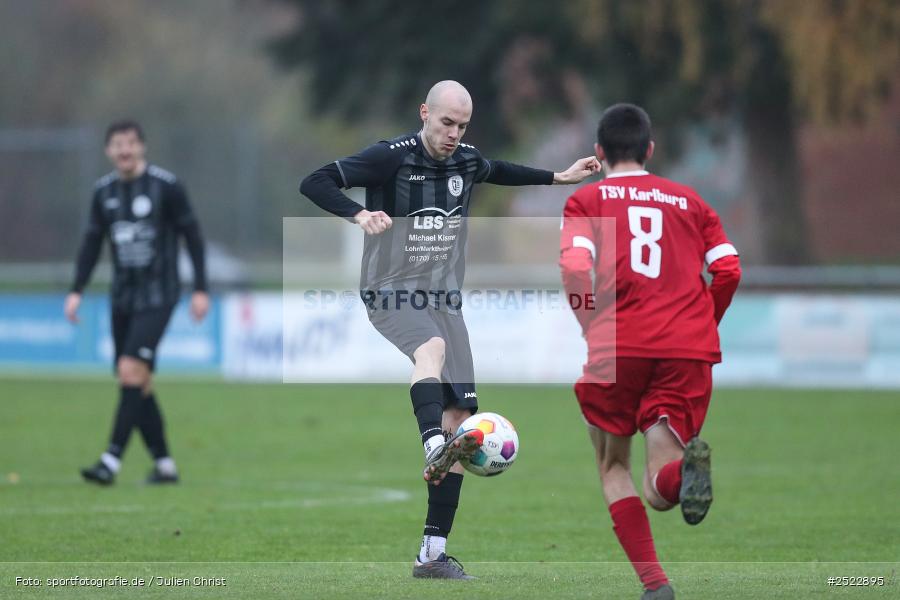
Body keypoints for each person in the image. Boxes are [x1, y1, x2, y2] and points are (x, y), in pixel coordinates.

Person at [300, 80, 600, 579]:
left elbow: (499, 170)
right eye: (446, 123)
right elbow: (314, 181)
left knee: (461, 421)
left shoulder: (466, 160)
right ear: (424, 113)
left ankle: (433, 553)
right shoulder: (389, 156)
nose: (454, 134)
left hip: (446, 301)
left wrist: (559, 177)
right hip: (390, 288)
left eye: (462, 126)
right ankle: (431, 447)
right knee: (431, 351)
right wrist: (359, 213)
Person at [559, 104, 741, 599]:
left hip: (618, 343)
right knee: (661, 485)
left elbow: (576, 268)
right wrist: (700, 324)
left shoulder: (587, 201)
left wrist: (588, 323)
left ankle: (656, 585)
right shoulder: (690, 201)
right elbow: (729, 271)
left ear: (599, 152)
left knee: (613, 466)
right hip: (686, 348)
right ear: (650, 150)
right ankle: (684, 471)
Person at [65, 120, 209, 486]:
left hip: (159, 295)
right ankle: (165, 466)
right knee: (137, 382)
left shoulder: (167, 187)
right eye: (117, 144)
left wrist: (201, 288)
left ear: (142, 146)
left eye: (130, 143)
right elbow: (91, 242)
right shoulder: (103, 192)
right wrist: (76, 289)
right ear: (108, 151)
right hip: (122, 297)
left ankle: (110, 461)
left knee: (130, 371)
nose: (124, 150)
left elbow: (193, 236)